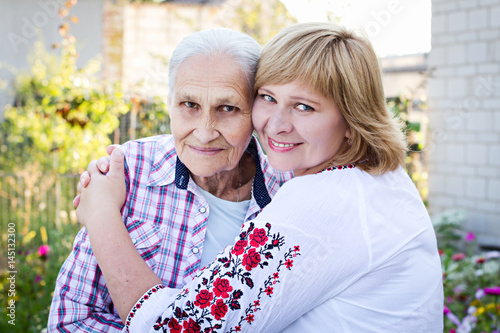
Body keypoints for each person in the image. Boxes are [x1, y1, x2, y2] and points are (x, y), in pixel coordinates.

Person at [76, 22, 444, 332]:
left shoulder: (324, 200)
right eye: (268, 98)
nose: (276, 125)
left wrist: (101, 215)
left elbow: (177, 327)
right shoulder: (375, 180)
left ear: (352, 120)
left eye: (304, 106)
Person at [47, 28, 292, 332]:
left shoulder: (287, 193)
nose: (204, 132)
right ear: (169, 103)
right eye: (189, 105)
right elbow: (70, 320)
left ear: (256, 111)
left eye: (227, 108)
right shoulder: (128, 171)